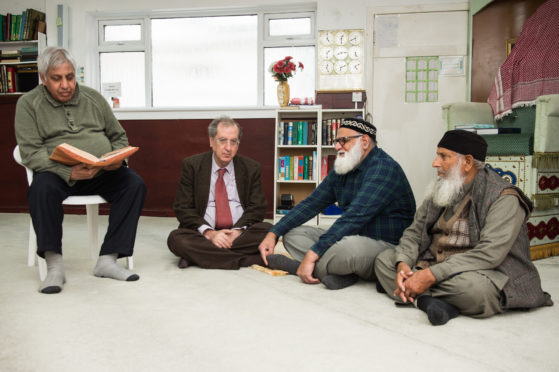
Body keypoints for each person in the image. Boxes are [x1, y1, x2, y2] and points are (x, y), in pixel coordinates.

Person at [375, 130, 553, 326]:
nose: (435, 163)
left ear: (467, 162)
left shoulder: (504, 197)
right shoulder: (440, 187)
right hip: (433, 263)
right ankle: (426, 300)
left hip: (480, 271)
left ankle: (413, 292)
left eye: (443, 156)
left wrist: (430, 275)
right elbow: (414, 233)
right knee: (384, 261)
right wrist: (403, 265)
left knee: (475, 291)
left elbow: (489, 254)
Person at [14, 47, 146, 294]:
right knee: (40, 189)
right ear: (43, 78)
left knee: (134, 184)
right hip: (57, 173)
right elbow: (31, 153)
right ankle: (54, 266)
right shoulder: (28, 104)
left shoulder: (93, 98)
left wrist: (116, 159)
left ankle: (108, 259)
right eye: (57, 78)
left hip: (100, 170)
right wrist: (69, 172)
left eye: (70, 76)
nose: (66, 84)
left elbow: (118, 136)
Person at [258, 118, 416, 290]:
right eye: (336, 141)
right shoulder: (344, 167)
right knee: (292, 235)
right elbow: (312, 203)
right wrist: (274, 233)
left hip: (384, 245)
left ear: (364, 141)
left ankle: (299, 267)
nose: (337, 147)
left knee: (348, 249)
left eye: (343, 141)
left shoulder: (384, 168)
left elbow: (354, 217)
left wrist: (313, 253)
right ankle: (340, 272)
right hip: (350, 236)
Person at [167, 116, 272, 270]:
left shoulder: (251, 168)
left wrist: (237, 232)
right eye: (222, 140)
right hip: (204, 233)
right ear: (211, 142)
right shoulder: (193, 165)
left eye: (233, 142)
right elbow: (182, 208)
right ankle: (247, 260)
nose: (228, 148)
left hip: (238, 234)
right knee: (176, 239)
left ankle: (197, 257)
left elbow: (258, 208)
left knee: (269, 231)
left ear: (238, 144)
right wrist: (210, 234)